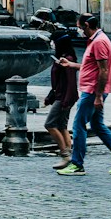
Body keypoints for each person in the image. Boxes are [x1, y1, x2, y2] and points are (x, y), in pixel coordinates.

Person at [56, 13, 111, 177]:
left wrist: (98, 96)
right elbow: (90, 66)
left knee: (78, 125)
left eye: (79, 27)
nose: (78, 30)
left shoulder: (99, 42)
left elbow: (103, 71)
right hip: (94, 90)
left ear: (86, 25)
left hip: (92, 91)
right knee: (98, 126)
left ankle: (77, 164)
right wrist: (70, 64)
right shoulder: (97, 40)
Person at [31, 10, 80, 161]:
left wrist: (66, 100)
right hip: (62, 96)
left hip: (64, 97)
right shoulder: (62, 58)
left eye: (53, 42)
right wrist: (50, 96)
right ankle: (70, 154)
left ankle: (64, 153)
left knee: (50, 124)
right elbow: (59, 82)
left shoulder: (67, 59)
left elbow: (71, 82)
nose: (52, 44)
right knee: (62, 126)